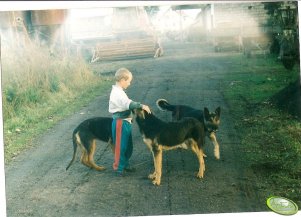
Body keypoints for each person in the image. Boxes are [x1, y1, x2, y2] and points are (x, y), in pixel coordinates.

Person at [109, 68, 151, 176]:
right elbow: (128, 104)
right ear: (122, 80)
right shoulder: (116, 93)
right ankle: (119, 167)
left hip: (126, 122)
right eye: (128, 81)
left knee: (128, 145)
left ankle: (125, 164)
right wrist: (141, 105)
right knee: (120, 146)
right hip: (120, 122)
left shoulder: (120, 91)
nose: (129, 83)